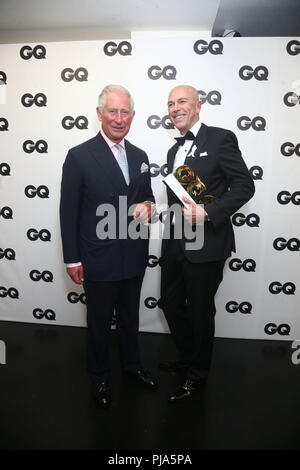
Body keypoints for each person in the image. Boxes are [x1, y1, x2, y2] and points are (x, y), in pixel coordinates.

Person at [60, 84, 157, 408]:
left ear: (132, 116)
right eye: (112, 111)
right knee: (99, 326)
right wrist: (72, 259)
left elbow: (149, 197)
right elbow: (68, 211)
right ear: (100, 114)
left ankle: (131, 367)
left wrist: (149, 205)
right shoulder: (78, 156)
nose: (119, 118)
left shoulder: (141, 156)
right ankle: (99, 377)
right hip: (97, 259)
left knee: (130, 319)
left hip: (134, 256)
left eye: (125, 111)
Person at [159, 85, 255, 402]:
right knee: (171, 304)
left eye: (182, 101)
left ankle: (198, 375)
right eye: (171, 104)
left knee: (200, 312)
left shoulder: (220, 138)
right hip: (175, 243)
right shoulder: (174, 150)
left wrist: (210, 212)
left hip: (207, 244)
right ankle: (188, 357)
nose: (175, 108)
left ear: (198, 105)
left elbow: (244, 186)